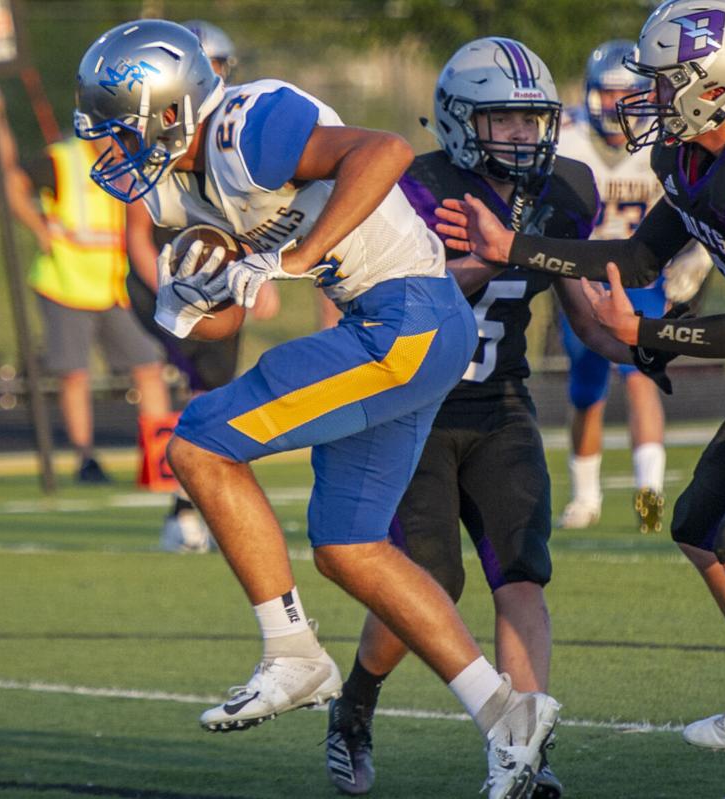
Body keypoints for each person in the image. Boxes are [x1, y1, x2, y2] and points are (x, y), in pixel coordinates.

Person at [73, 20, 559, 797]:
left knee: (197, 444)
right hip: (399, 325)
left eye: (117, 125)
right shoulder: (191, 181)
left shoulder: (247, 128)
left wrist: (292, 258)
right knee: (348, 545)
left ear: (169, 108)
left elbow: (386, 152)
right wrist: (200, 294)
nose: (111, 148)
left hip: (407, 317)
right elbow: (233, 316)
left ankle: (292, 653)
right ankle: (505, 716)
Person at [436, 2, 725, 797]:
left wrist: (651, 338)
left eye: (666, 80)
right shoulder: (690, 154)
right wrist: (511, 246)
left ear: (719, 85)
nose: (646, 94)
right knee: (695, 525)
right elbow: (638, 257)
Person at [323, 37, 642, 798]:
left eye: (533, 121)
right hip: (411, 407)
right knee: (428, 578)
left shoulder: (565, 188)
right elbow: (403, 304)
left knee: (522, 576)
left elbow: (583, 312)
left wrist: (644, 341)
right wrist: (499, 256)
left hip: (501, 401)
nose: (525, 138)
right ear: (462, 120)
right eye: (504, 120)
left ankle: (521, 749)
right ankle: (355, 705)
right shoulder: (412, 185)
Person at [122, 18, 280, 551]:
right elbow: (138, 232)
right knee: (193, 396)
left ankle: (195, 505)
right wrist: (172, 294)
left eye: (218, 69)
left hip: (216, 278)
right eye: (204, 69)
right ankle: (185, 510)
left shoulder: (233, 137)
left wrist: (264, 273)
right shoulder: (158, 140)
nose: (214, 81)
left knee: (213, 395)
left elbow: (250, 217)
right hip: (173, 282)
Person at [554, 39, 712, 533]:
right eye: (606, 94)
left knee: (643, 376)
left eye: (629, 94)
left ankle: (650, 499)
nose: (616, 106)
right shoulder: (569, 140)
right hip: (581, 274)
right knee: (585, 391)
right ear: (589, 93)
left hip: (642, 276)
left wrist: (699, 255)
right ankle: (585, 497)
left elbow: (699, 202)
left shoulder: (665, 142)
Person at [0, 98, 172, 485]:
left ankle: (158, 455)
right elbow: (9, 182)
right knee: (75, 374)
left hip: (113, 287)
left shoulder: (129, 162)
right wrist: (39, 229)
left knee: (148, 366)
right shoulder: (62, 159)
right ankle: (86, 457)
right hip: (65, 284)